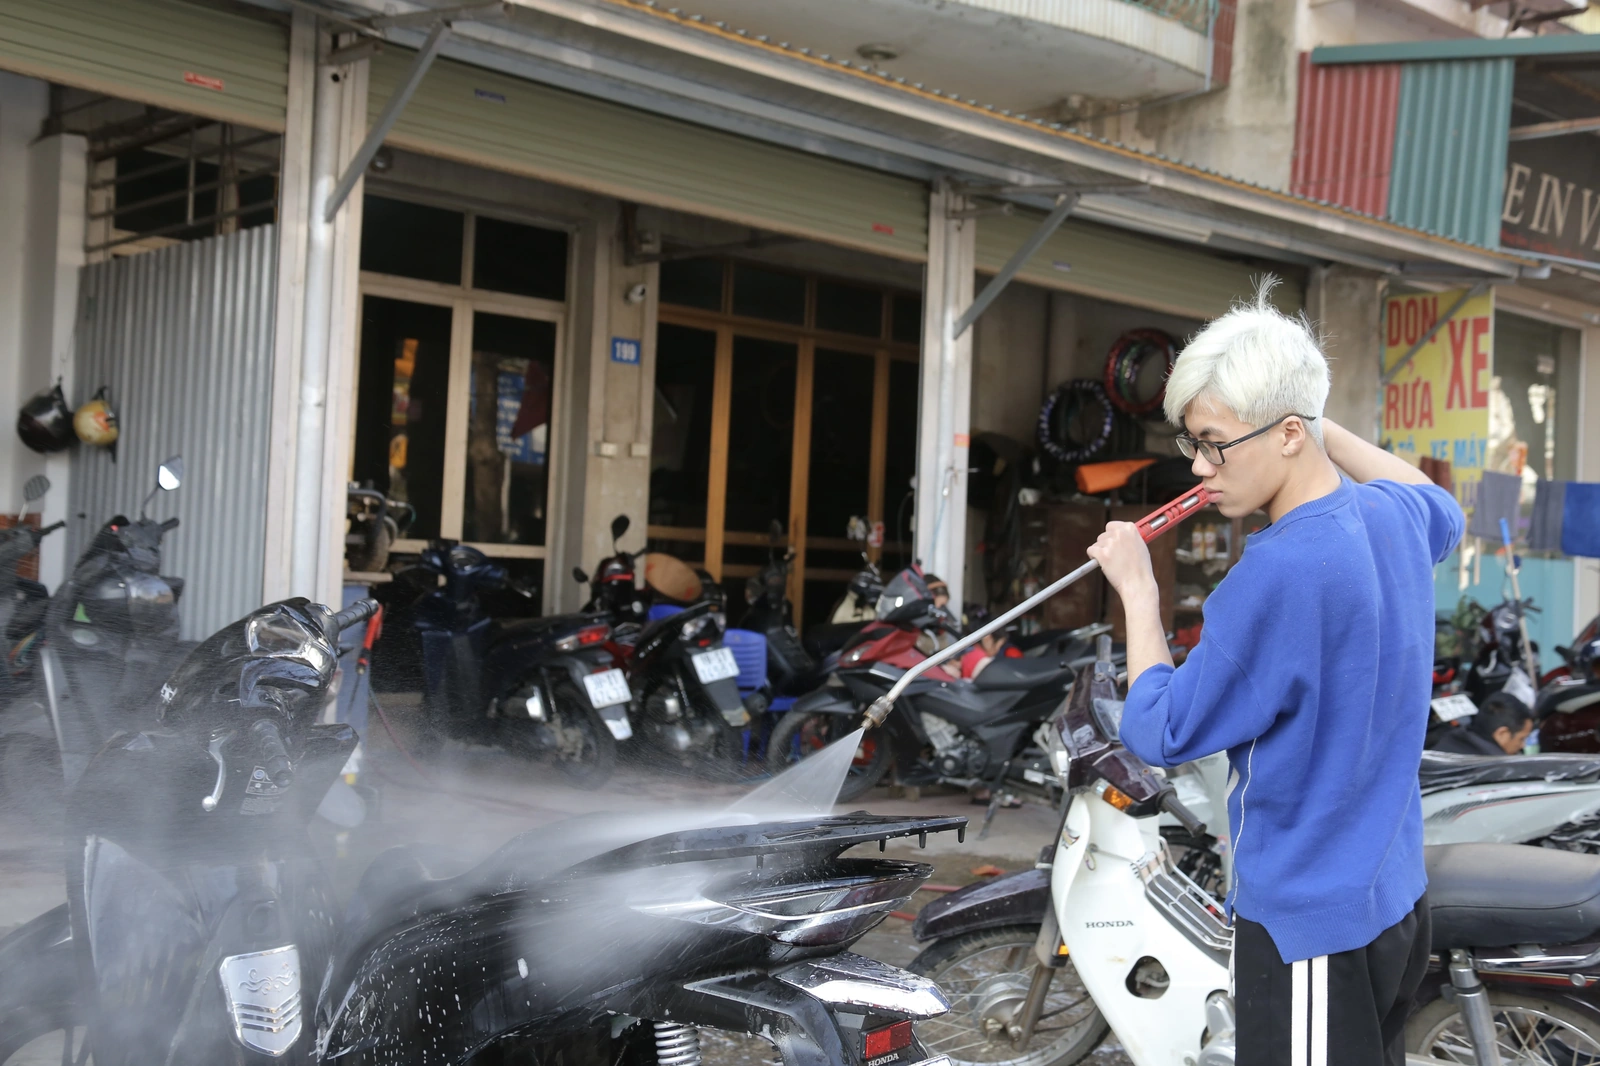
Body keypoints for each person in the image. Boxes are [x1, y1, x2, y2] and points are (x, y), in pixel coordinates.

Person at [1086, 280, 1465, 1066]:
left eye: (1214, 443)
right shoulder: (1391, 518)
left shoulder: (1275, 575)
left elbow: (1158, 729)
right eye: (1191, 442)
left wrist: (1137, 590)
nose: (1198, 467)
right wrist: (1322, 421)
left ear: (1289, 434)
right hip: (1393, 897)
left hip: (1309, 924)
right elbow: (1437, 502)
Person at [1430, 692, 1535, 756]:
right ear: (1502, 733)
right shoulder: (1494, 769)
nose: (1523, 745)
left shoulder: (1450, 740)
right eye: (1521, 739)